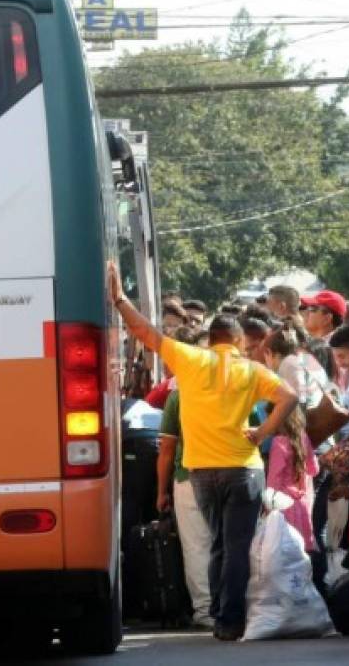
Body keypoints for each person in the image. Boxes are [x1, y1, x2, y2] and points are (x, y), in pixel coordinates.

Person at [109, 264, 299, 641]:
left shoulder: (189, 360)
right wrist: (261, 431)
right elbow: (290, 397)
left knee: (216, 544)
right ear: (239, 341)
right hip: (242, 469)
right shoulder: (249, 370)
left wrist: (119, 299)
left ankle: (216, 615)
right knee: (236, 546)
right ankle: (231, 620)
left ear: (211, 340)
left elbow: (145, 331)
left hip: (200, 472)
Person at [159, 385, 215, 629]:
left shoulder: (179, 395)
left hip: (189, 476)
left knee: (197, 547)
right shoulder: (235, 382)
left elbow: (167, 450)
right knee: (232, 543)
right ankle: (235, 606)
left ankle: (206, 611)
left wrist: (161, 491)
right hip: (235, 472)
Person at [267, 406, 319, 553]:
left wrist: (267, 507)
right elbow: (314, 469)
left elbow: (273, 481)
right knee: (302, 552)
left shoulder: (278, 442)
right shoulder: (303, 437)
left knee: (284, 553)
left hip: (283, 506)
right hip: (302, 504)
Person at [263, 320, 328, 409]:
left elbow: (298, 401)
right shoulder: (306, 358)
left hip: (310, 417)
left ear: (269, 353)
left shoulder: (288, 364)